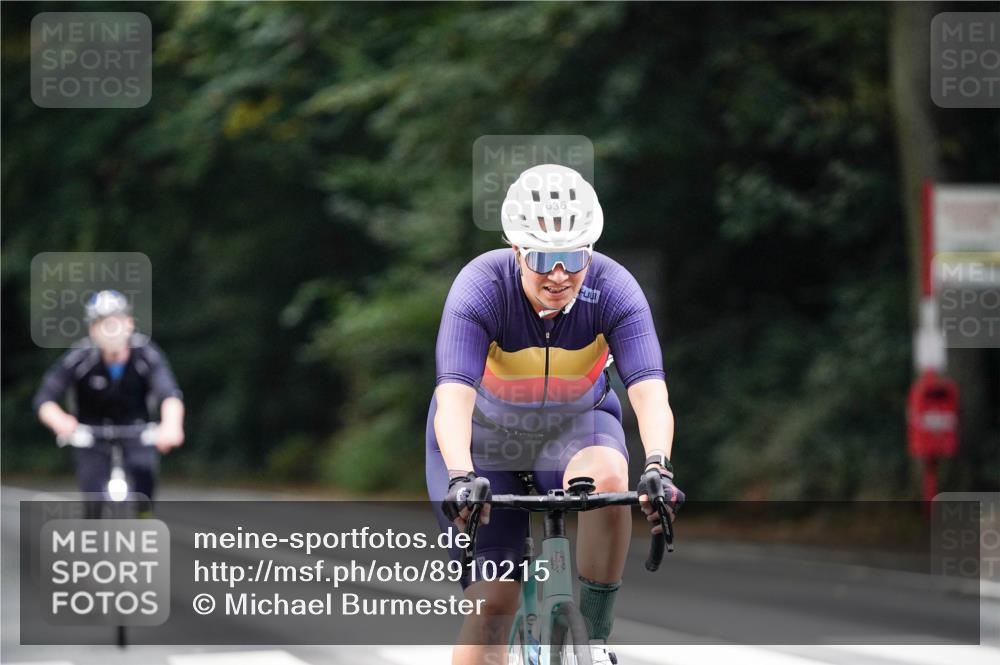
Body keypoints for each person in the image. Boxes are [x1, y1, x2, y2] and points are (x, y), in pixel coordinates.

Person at [427, 164, 685, 665]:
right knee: (493, 607)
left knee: (612, 480)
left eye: (573, 257)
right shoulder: (481, 286)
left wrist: (658, 464)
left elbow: (650, 389)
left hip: (576, 428)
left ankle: (596, 635)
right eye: (543, 258)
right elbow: (453, 395)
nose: (559, 274)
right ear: (517, 250)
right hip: (484, 442)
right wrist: (461, 475)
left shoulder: (613, 288)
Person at [33, 290, 185, 514]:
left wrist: (171, 426)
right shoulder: (80, 358)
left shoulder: (146, 355)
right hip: (90, 435)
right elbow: (45, 397)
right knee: (93, 497)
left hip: (136, 430)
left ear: (129, 324)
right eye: (103, 324)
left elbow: (169, 394)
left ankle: (144, 523)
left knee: (145, 485)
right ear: (93, 331)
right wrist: (60, 421)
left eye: (116, 322)